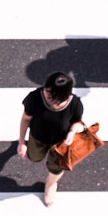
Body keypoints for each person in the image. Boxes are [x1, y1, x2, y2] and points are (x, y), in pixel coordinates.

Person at [17, 71, 84, 206]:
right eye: (46, 90)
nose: (45, 94)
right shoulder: (35, 97)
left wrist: (72, 132)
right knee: (34, 157)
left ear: (63, 95)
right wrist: (21, 142)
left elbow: (77, 121)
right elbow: (25, 119)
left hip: (60, 143)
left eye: (50, 94)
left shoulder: (75, 103)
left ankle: (50, 185)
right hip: (38, 137)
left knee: (56, 167)